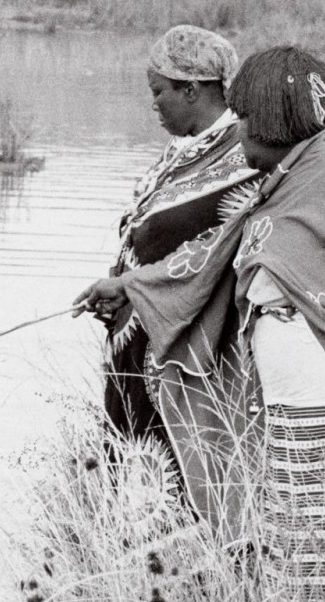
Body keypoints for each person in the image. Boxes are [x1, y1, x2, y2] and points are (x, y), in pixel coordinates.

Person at [78, 45, 325, 602]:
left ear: (275, 117)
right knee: (309, 563)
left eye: (244, 119)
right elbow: (219, 249)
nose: (236, 135)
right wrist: (136, 287)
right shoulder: (300, 173)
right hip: (300, 411)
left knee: (323, 573)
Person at [95, 25, 258, 446]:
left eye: (159, 91)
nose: (153, 105)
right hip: (135, 332)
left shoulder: (245, 157)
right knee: (132, 465)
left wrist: (132, 286)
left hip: (182, 350)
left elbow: (212, 253)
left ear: (191, 89)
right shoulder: (181, 148)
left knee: (178, 462)